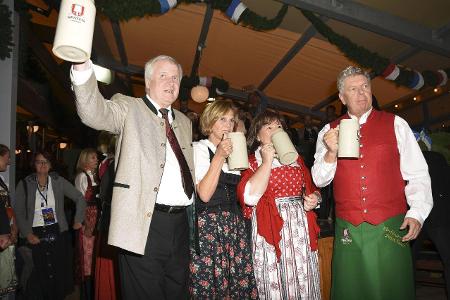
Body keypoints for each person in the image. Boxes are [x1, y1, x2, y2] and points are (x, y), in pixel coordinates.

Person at [71, 55, 195, 299]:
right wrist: (81, 68)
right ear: (148, 82)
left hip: (181, 225)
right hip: (143, 222)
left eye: (175, 77)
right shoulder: (128, 107)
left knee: (178, 293)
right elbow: (93, 113)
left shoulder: (183, 121)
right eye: (163, 76)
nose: (171, 82)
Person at [311, 66, 433, 300]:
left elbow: (417, 173)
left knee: (392, 289)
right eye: (353, 89)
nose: (361, 93)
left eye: (365, 87)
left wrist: (417, 212)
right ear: (342, 97)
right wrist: (330, 152)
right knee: (351, 291)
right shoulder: (328, 131)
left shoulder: (396, 123)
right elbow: (319, 179)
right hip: (349, 228)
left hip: (389, 225)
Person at [237, 110, 322, 299]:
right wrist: (266, 162)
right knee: (274, 277)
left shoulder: (296, 159)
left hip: (299, 227)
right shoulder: (251, 161)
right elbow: (249, 198)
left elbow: (313, 189)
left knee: (303, 277)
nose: (276, 130)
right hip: (270, 226)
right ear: (258, 135)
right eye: (269, 127)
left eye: (279, 126)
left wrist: (315, 199)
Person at [189, 100, 258, 298]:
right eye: (222, 119)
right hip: (209, 226)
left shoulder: (235, 153)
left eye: (231, 120)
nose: (228, 125)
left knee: (237, 285)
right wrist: (219, 156)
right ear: (210, 122)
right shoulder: (199, 149)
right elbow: (204, 194)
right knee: (211, 285)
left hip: (234, 225)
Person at [15, 151, 86, 300]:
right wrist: (28, 233)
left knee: (57, 277)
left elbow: (79, 197)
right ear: (34, 164)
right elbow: (19, 212)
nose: (42, 165)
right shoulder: (24, 184)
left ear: (51, 165)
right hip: (34, 234)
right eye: (39, 161)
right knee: (37, 280)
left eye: (46, 161)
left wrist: (78, 219)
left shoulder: (58, 181)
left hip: (57, 233)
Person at [74, 148, 99, 300]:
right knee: (87, 260)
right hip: (88, 219)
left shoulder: (95, 176)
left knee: (93, 257)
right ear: (84, 160)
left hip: (96, 218)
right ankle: (87, 294)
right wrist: (88, 224)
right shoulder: (82, 177)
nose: (96, 160)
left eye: (96, 158)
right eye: (93, 158)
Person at [0, 144, 18, 299]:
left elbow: (7, 208)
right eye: (7, 157)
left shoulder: (1, 179)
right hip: (2, 237)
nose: (10, 161)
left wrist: (14, 226)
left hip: (6, 234)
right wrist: (5, 232)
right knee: (5, 284)